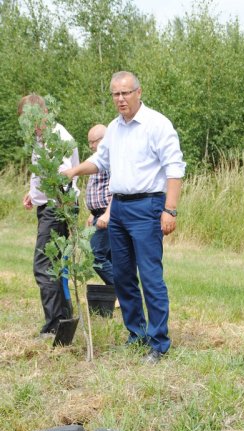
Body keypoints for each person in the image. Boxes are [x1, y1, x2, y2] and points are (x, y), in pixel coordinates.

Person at [62, 71, 186, 363]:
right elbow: (100, 161)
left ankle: (159, 342)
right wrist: (73, 171)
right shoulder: (114, 129)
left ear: (139, 92)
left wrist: (170, 210)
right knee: (122, 275)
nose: (120, 99)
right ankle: (137, 334)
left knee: (151, 276)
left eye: (126, 93)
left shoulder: (157, 124)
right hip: (118, 208)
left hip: (148, 207)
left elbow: (174, 168)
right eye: (115, 94)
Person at [18, 94, 80, 337]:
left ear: (38, 115)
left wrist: (64, 212)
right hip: (50, 204)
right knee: (55, 265)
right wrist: (33, 194)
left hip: (58, 206)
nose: (24, 125)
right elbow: (46, 175)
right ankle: (63, 317)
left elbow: (64, 175)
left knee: (44, 265)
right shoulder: (40, 137)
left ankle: (54, 326)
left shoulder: (56, 138)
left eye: (26, 119)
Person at [86, 124, 114, 286]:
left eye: (93, 142)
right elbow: (99, 188)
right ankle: (118, 296)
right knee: (110, 256)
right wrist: (93, 212)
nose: (91, 146)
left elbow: (116, 190)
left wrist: (106, 213)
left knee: (96, 254)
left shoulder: (109, 159)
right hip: (99, 213)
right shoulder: (97, 160)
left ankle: (121, 290)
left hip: (107, 214)